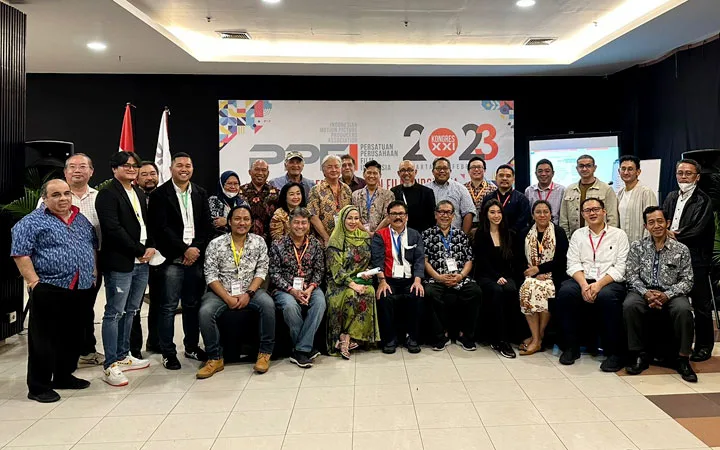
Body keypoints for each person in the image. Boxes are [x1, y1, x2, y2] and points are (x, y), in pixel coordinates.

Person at [12, 179, 96, 403]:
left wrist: (93, 274)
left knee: (73, 336)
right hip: (49, 287)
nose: (63, 198)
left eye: (66, 193)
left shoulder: (80, 219)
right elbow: (20, 253)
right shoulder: (31, 222)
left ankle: (63, 376)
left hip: (80, 286)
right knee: (44, 340)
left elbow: (91, 246)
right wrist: (34, 283)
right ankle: (38, 387)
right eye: (56, 195)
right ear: (45, 198)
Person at [36, 154, 104, 367]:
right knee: (61, 314)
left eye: (83, 166)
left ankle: (86, 350)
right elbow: (36, 231)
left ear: (91, 171)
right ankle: (59, 358)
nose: (77, 170)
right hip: (57, 267)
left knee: (85, 309)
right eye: (72, 167)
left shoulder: (100, 197)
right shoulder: (49, 198)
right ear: (65, 172)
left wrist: (94, 266)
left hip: (92, 262)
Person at [148, 152, 213, 370]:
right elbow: (161, 228)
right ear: (171, 169)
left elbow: (206, 226)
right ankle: (168, 352)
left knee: (192, 305)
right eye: (180, 165)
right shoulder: (160, 195)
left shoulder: (200, 192)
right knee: (167, 306)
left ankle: (192, 346)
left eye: (188, 165)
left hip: (195, 258)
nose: (184, 169)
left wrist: (195, 250)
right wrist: (184, 250)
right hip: (172, 259)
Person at [95, 151, 153, 386]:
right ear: (114, 168)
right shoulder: (107, 194)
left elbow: (145, 224)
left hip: (142, 261)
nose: (131, 169)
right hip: (121, 261)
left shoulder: (137, 192)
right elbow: (113, 229)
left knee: (131, 311)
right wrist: (139, 249)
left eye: (134, 165)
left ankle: (123, 355)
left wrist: (150, 247)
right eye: (125, 165)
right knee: (114, 312)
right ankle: (110, 364)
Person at [197, 205, 276, 378]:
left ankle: (264, 353)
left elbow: (262, 270)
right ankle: (215, 358)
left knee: (268, 305)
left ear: (251, 223)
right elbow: (210, 274)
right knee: (205, 312)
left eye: (246, 219)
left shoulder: (259, 242)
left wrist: (249, 294)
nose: (242, 223)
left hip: (251, 290)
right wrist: (227, 297)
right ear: (229, 222)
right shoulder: (216, 244)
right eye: (237, 219)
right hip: (221, 292)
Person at [623, 206, 696, 382]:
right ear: (645, 226)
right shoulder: (637, 247)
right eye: (651, 222)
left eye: (660, 221)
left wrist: (667, 295)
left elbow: (688, 280)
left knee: (684, 310)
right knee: (630, 305)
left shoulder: (681, 249)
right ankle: (637, 355)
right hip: (643, 291)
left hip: (672, 293)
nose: (656, 226)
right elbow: (631, 275)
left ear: (667, 223)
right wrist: (646, 293)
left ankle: (683, 358)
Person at [556, 198, 629, 372]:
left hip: (609, 280)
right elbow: (573, 263)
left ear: (604, 212)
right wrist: (583, 285)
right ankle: (571, 348)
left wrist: (598, 285)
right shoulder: (578, 235)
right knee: (566, 292)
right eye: (587, 210)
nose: (592, 213)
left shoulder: (619, 235)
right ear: (583, 215)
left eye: (596, 209)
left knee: (606, 296)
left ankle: (614, 353)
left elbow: (621, 267)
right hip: (584, 278)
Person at [663, 158, 716, 362]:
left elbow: (697, 229)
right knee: (674, 301)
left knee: (701, 305)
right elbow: (664, 218)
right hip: (672, 257)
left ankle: (703, 347)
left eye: (688, 173)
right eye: (680, 173)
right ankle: (675, 344)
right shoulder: (671, 196)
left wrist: (671, 235)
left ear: (697, 177)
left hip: (696, 258)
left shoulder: (703, 200)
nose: (683, 177)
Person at [269, 208, 326, 368]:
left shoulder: (315, 244)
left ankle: (300, 349)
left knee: (320, 302)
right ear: (289, 223)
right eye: (296, 222)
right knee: (290, 306)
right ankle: (304, 349)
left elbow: (319, 270)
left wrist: (310, 289)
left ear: (308, 225)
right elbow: (274, 273)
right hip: (285, 289)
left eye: (304, 223)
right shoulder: (278, 244)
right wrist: (291, 290)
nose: (300, 226)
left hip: (310, 287)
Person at [422, 200, 481, 352]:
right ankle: (441, 335)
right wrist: (439, 277)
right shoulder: (427, 234)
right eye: (441, 212)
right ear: (435, 215)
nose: (445, 215)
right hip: (436, 278)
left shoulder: (461, 235)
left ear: (453, 216)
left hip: (460, 278)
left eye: (448, 212)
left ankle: (465, 335)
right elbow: (425, 261)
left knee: (475, 291)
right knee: (429, 293)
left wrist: (461, 276)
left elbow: (469, 260)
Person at [326, 205, 380, 359]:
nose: (353, 221)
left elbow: (369, 260)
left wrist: (368, 272)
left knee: (369, 291)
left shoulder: (364, 237)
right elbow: (336, 269)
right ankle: (346, 338)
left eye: (356, 218)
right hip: (339, 282)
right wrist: (353, 284)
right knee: (351, 294)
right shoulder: (335, 240)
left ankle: (349, 338)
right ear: (342, 220)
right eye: (349, 218)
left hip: (359, 279)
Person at [371, 201, 425, 354]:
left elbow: (419, 259)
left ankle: (412, 338)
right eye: (394, 214)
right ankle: (390, 339)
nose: (397, 217)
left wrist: (418, 280)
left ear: (406, 217)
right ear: (388, 217)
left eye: (401, 214)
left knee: (417, 294)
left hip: (410, 279)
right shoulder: (380, 235)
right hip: (388, 279)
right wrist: (382, 281)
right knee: (384, 296)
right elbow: (377, 260)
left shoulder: (415, 235)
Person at [517, 200, 568, 356]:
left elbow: (562, 260)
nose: (542, 215)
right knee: (528, 289)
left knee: (545, 290)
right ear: (533, 215)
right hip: (530, 275)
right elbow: (518, 258)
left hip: (553, 275)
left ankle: (537, 338)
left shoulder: (558, 232)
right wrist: (533, 272)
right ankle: (537, 337)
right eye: (538, 212)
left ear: (551, 214)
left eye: (546, 211)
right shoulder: (525, 232)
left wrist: (539, 269)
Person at [474, 199, 519, 359]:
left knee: (511, 289)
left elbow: (513, 261)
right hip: (486, 275)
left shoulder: (509, 234)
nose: (496, 215)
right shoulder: (480, 234)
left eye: (499, 212)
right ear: (486, 215)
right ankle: (500, 340)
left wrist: (504, 276)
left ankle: (512, 335)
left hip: (506, 275)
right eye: (492, 212)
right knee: (496, 291)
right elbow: (482, 261)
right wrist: (496, 277)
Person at [131, 160, 161, 357]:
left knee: (158, 302)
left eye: (153, 174)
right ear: (136, 177)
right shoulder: (131, 196)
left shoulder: (165, 195)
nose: (149, 178)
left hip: (160, 257)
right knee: (134, 305)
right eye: (144, 174)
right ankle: (134, 348)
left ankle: (155, 342)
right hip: (137, 256)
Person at [560, 154, 619, 237]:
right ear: (577, 168)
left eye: (588, 166)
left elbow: (612, 219)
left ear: (594, 168)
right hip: (575, 238)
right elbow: (563, 219)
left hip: (600, 238)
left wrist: (608, 238)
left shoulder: (606, 189)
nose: (584, 169)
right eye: (581, 166)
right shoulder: (569, 190)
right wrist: (567, 239)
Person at [308, 155, 352, 243]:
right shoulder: (316, 190)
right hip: (323, 240)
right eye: (329, 167)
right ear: (323, 171)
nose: (334, 170)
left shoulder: (346, 189)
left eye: (336, 166)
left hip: (345, 239)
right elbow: (313, 216)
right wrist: (326, 237)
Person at [425, 157, 475, 234]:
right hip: (429, 236)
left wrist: (463, 235)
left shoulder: (460, 189)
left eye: (445, 168)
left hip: (455, 237)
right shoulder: (425, 189)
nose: (442, 171)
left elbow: (468, 213)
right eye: (438, 168)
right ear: (433, 171)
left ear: (450, 171)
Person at [617, 155, 657, 243]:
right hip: (623, 245)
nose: (626, 172)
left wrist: (646, 246)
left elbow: (652, 221)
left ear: (638, 172)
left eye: (630, 169)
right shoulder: (620, 194)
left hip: (642, 246)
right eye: (623, 169)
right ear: (619, 171)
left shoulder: (646, 192)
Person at [482, 164, 530, 233]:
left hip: (515, 236)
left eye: (508, 176)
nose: (504, 178)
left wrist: (511, 233)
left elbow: (523, 220)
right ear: (496, 178)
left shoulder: (522, 199)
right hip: (491, 235)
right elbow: (484, 219)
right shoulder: (488, 198)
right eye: (501, 175)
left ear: (513, 179)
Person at [238, 160, 279, 241]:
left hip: (269, 240)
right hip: (243, 239)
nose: (260, 173)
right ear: (250, 172)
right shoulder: (240, 192)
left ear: (268, 173)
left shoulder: (276, 193)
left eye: (264, 170)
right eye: (257, 169)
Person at [391, 160, 436, 233]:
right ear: (398, 173)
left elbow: (432, 219)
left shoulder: (426, 192)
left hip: (421, 234)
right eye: (403, 170)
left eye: (409, 170)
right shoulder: (393, 191)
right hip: (399, 234)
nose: (406, 173)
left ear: (415, 172)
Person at [351, 160, 394, 234]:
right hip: (359, 235)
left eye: (375, 173)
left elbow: (388, 217)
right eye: (369, 173)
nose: (371, 176)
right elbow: (354, 217)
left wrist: (375, 233)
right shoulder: (355, 195)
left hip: (381, 235)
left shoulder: (388, 195)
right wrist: (366, 233)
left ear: (380, 175)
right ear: (364, 174)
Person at [524, 159, 565, 226]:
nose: (543, 174)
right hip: (535, 228)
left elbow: (564, 215)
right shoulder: (529, 191)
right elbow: (527, 214)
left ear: (553, 173)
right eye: (540, 171)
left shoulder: (561, 190)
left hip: (555, 228)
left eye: (547, 171)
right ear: (536, 174)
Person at [208, 170, 248, 236]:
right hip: (218, 239)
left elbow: (248, 224)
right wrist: (236, 223)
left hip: (240, 239)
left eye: (236, 184)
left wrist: (226, 221)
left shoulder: (243, 203)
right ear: (221, 184)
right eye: (229, 183)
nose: (233, 187)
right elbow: (215, 224)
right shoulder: (213, 201)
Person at [464, 155, 497, 231]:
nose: (476, 169)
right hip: (466, 227)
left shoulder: (493, 189)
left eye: (479, 167)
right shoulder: (463, 188)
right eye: (473, 167)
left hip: (486, 227)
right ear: (468, 171)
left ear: (484, 170)